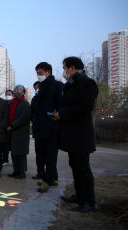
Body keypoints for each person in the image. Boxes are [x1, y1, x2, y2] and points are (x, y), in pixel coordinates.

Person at [53, 56, 98, 213]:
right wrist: (59, 112)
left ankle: (89, 202)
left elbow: (86, 106)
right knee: (75, 166)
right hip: (72, 134)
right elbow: (68, 104)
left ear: (73, 68)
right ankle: (79, 196)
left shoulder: (87, 83)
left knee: (83, 168)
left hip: (81, 134)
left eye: (65, 68)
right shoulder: (71, 85)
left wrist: (63, 114)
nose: (64, 71)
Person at [33, 62, 64, 192]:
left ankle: (48, 180)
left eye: (41, 73)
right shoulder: (42, 87)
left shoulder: (57, 86)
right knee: (43, 154)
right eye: (37, 74)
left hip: (51, 126)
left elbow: (61, 104)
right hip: (40, 126)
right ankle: (54, 178)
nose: (39, 76)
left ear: (48, 72)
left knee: (51, 155)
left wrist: (58, 114)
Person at [7, 85, 31, 179]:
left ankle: (22, 172)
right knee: (14, 152)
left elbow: (24, 118)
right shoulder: (13, 103)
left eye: (19, 90)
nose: (16, 92)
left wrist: (12, 125)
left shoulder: (25, 103)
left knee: (21, 153)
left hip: (21, 131)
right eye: (15, 90)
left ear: (23, 92)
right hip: (12, 131)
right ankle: (16, 170)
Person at [31, 81, 46, 179]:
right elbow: (31, 112)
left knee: (48, 154)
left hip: (47, 128)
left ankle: (51, 174)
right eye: (35, 88)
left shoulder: (47, 98)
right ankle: (40, 171)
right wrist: (33, 118)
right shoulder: (34, 99)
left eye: (39, 87)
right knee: (39, 153)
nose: (37, 90)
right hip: (37, 128)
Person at [2, 89, 14, 165]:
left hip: (12, 127)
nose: (8, 96)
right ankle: (5, 159)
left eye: (9, 94)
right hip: (4, 127)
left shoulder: (14, 104)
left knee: (12, 145)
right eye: (6, 94)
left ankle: (14, 160)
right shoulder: (3, 104)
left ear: (13, 96)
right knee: (4, 145)